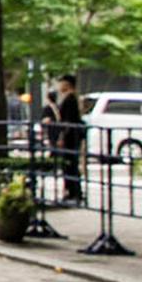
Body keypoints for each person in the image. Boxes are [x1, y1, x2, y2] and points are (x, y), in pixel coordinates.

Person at [42, 74, 86, 203]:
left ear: (67, 84)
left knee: (70, 164)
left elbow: (68, 121)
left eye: (61, 83)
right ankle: (72, 192)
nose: (59, 86)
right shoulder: (70, 98)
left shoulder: (70, 99)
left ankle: (73, 193)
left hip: (70, 137)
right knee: (70, 164)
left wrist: (61, 136)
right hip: (72, 136)